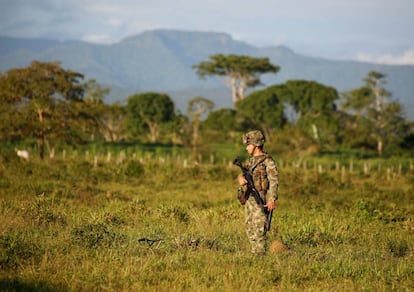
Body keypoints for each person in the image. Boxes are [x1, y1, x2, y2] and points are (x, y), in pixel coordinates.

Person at [237, 130, 279, 255]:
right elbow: (245, 175)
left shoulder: (268, 161)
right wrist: (241, 179)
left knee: (260, 226)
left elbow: (274, 180)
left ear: (255, 145)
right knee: (249, 226)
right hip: (249, 198)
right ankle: (255, 251)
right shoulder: (250, 161)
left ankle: (260, 254)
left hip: (261, 198)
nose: (246, 148)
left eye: (248, 145)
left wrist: (272, 199)